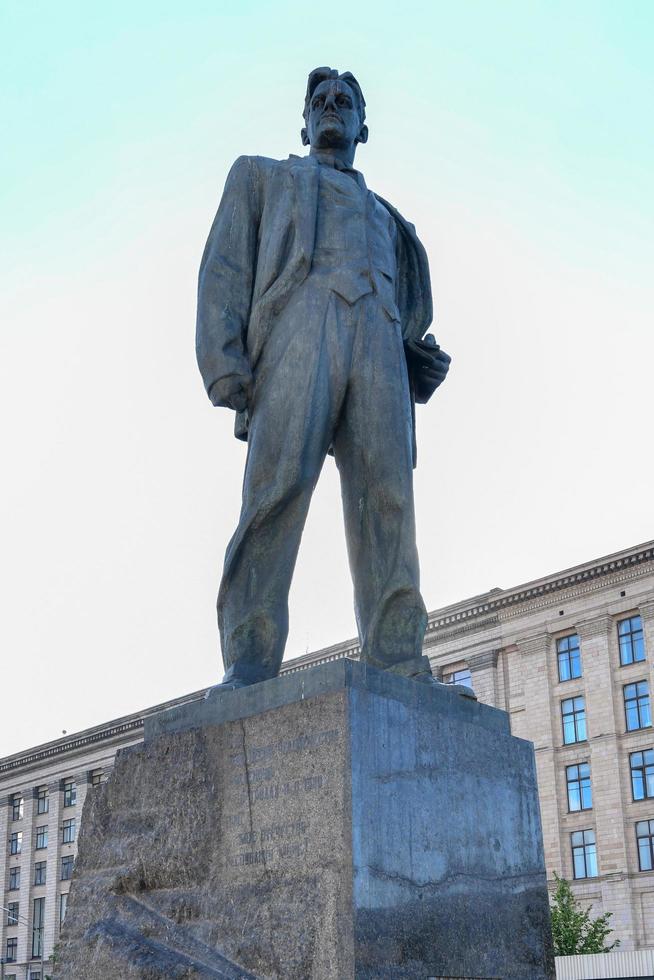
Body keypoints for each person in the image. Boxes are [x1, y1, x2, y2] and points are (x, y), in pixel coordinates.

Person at [196, 67, 474, 699]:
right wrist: (224, 360)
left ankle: (400, 656)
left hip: (377, 335)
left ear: (361, 126)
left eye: (343, 102)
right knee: (278, 486)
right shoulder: (263, 177)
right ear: (305, 120)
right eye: (319, 101)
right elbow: (226, 265)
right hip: (300, 323)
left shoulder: (394, 224)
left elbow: (408, 315)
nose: (330, 107)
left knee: (388, 501)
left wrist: (414, 359)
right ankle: (249, 659)